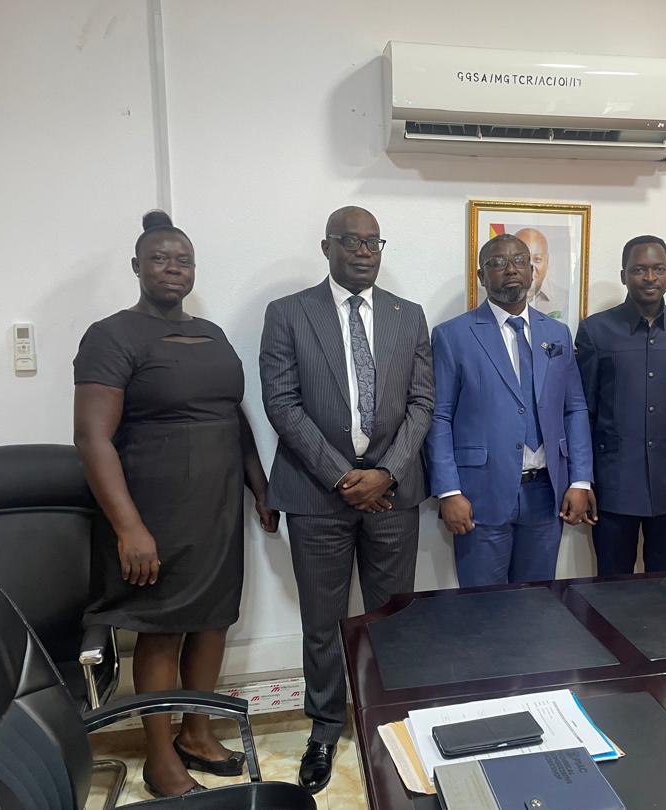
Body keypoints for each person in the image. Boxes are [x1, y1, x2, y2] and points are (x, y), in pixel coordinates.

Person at [73, 211, 277, 798]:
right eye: (159, 259)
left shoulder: (212, 334)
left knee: (213, 620)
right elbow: (91, 437)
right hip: (152, 510)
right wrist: (129, 527)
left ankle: (197, 732)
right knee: (161, 631)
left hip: (217, 507)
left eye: (183, 260)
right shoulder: (110, 335)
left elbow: (231, 415)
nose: (172, 269)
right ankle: (161, 760)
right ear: (136, 266)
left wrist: (259, 484)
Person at [259, 206, 433, 793]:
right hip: (316, 494)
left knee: (391, 618)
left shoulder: (408, 315)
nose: (363, 251)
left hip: (393, 495)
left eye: (373, 242)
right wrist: (342, 477)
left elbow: (422, 404)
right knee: (322, 621)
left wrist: (385, 473)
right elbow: (282, 403)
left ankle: (386, 715)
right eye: (351, 241)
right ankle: (325, 727)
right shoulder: (288, 313)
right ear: (326, 247)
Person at [426, 233, 595, 588]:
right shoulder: (453, 336)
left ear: (532, 271)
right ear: (481, 276)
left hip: (546, 493)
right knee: (484, 607)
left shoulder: (558, 333)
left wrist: (580, 480)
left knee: (537, 603)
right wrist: (448, 491)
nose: (511, 269)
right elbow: (439, 416)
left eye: (520, 261)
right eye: (498, 262)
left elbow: (575, 409)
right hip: (479, 495)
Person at [575, 235, 666, 575]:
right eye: (639, 269)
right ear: (624, 275)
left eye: (658, 269)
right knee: (612, 588)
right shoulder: (595, 331)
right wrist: (582, 479)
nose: (650, 278)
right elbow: (583, 412)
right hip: (614, 484)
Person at [516, 227, 569, 320]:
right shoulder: (498, 298)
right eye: (522, 260)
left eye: (537, 259)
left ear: (547, 261)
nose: (531, 268)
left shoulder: (564, 300)